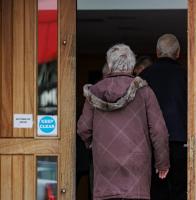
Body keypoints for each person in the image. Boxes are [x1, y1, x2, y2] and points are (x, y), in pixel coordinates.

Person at [77, 44, 170, 200]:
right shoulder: (145, 92)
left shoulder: (94, 93)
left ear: (110, 65)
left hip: (105, 165)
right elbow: (159, 130)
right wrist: (162, 163)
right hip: (137, 165)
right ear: (132, 66)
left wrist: (94, 144)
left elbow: (83, 128)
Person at [140, 34, 187, 200]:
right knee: (180, 190)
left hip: (150, 144)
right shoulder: (186, 76)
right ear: (178, 53)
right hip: (181, 142)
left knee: (155, 191)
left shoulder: (144, 76)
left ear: (157, 52)